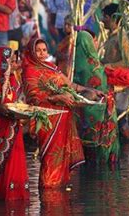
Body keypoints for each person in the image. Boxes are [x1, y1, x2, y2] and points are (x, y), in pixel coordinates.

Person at [22, 38, 100, 189]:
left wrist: (89, 90)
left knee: (62, 155)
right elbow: (33, 98)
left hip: (64, 116)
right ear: (31, 52)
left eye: (44, 50)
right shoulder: (29, 70)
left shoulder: (52, 67)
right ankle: (48, 188)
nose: (42, 53)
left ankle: (59, 186)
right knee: (50, 156)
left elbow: (70, 85)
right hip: (48, 118)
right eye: (38, 50)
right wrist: (56, 97)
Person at [0, 47, 29, 201]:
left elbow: (18, 104)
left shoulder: (15, 82)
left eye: (15, 61)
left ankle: (15, 205)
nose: (14, 65)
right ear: (0, 62)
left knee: (16, 173)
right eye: (10, 61)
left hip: (14, 132)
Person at [73, 31, 120, 164]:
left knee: (87, 153)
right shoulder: (96, 66)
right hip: (101, 112)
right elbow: (103, 88)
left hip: (83, 114)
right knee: (102, 152)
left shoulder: (73, 67)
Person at [101, 3, 129, 142]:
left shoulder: (122, 36)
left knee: (121, 118)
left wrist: (109, 65)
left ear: (111, 18)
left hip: (122, 82)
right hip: (113, 81)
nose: (102, 20)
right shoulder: (112, 36)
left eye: (104, 17)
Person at [56, 15, 74, 79]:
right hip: (61, 69)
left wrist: (61, 55)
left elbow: (69, 55)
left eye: (69, 25)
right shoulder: (66, 39)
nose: (66, 27)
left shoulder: (74, 39)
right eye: (65, 24)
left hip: (68, 71)